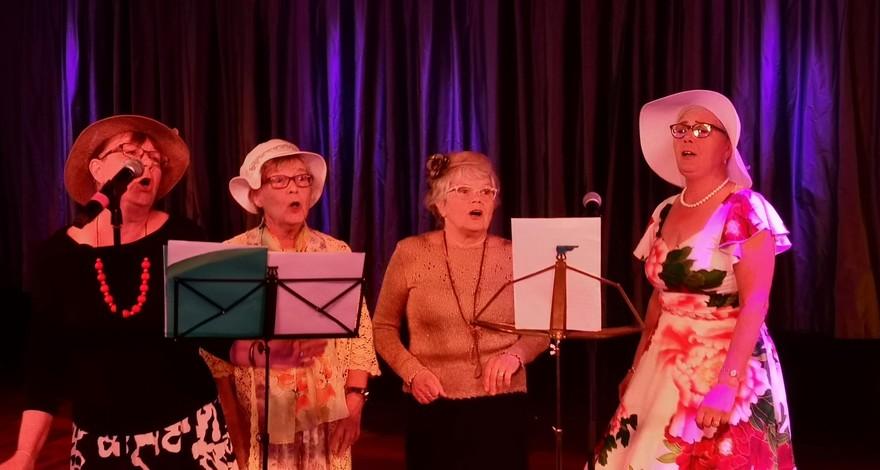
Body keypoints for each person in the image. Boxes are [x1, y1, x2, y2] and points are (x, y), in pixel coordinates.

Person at [0, 115, 237, 469]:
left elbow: (216, 334)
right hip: (100, 443)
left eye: (155, 159)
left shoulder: (186, 236)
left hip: (190, 433)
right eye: (131, 152)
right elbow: (44, 364)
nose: (146, 164)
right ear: (97, 169)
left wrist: (260, 352)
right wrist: (26, 453)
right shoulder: (57, 255)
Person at [593, 90, 795, 469]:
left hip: (725, 365)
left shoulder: (744, 208)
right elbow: (659, 300)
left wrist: (727, 385)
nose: (688, 137)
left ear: (727, 148)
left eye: (702, 130)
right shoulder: (665, 211)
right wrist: (635, 367)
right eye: (682, 129)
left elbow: (756, 302)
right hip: (663, 366)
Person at [200, 138, 380, 470]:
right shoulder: (232, 256)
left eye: (301, 179)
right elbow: (218, 363)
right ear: (256, 196)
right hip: (261, 416)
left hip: (327, 412)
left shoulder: (335, 251)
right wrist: (235, 433)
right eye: (280, 180)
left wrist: (356, 398)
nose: (294, 188)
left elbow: (361, 334)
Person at [373, 151, 547, 470]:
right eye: (463, 191)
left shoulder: (516, 254)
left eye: (486, 191)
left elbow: (542, 327)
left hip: (502, 402)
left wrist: (516, 355)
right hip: (431, 400)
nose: (477, 199)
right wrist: (412, 372)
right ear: (440, 204)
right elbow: (382, 327)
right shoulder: (410, 252)